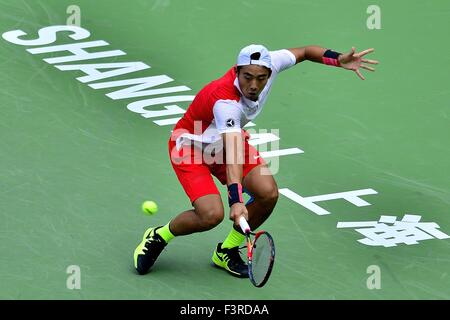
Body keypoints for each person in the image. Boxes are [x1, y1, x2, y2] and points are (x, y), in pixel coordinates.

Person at [133, 44, 378, 277]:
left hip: (227, 143)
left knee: (268, 193)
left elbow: (305, 52)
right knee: (210, 215)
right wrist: (236, 200)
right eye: (247, 76)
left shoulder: (272, 62)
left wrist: (338, 59)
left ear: (269, 72)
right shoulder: (225, 102)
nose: (253, 84)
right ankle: (159, 236)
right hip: (190, 148)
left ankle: (227, 250)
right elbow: (234, 154)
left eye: (261, 78)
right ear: (236, 71)